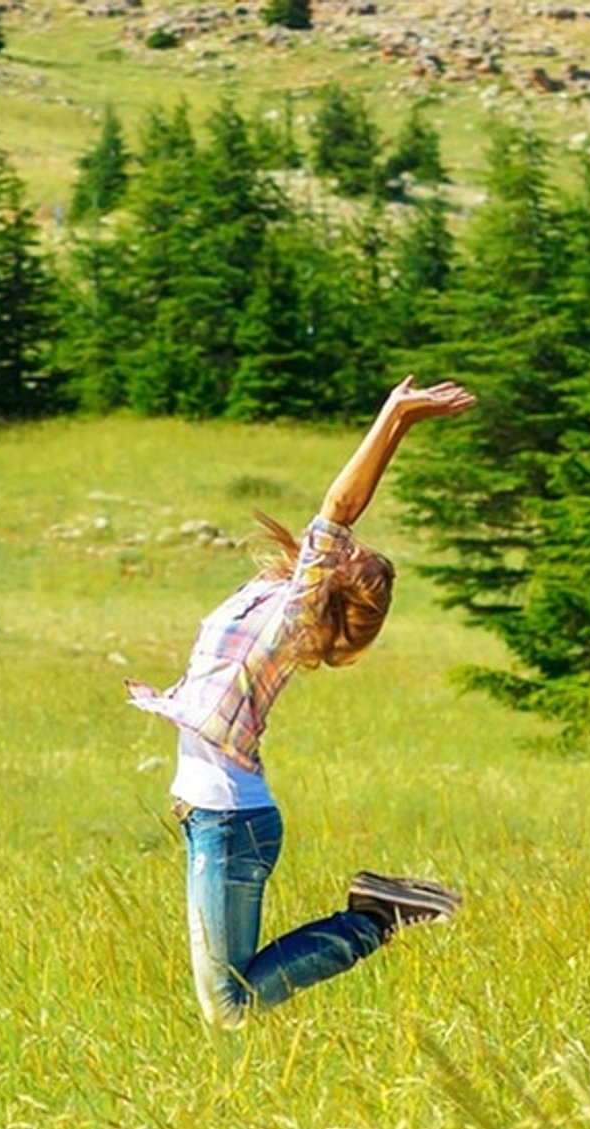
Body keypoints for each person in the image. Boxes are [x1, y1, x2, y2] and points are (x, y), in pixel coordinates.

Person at [125, 375, 477, 1028]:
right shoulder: (268, 595)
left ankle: (374, 918)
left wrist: (392, 415)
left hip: (230, 822)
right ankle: (376, 910)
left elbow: (339, 510)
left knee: (228, 1007)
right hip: (218, 817)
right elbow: (332, 531)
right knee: (228, 1000)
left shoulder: (290, 619)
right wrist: (399, 421)